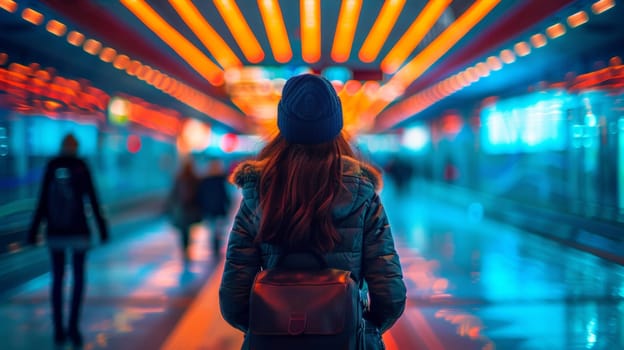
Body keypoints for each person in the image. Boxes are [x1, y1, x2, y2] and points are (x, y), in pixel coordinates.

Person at [219, 74, 406, 349]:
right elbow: (390, 297)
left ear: (284, 126)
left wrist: (276, 328)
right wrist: (355, 326)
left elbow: (233, 300)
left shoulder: (257, 192)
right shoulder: (362, 194)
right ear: (336, 126)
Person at [27, 133, 109, 347]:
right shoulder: (82, 165)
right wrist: (102, 229)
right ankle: (74, 327)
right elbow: (93, 197)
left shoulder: (52, 165)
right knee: (79, 279)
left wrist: (34, 230)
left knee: (57, 280)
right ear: (77, 147)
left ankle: (58, 330)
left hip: (56, 232)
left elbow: (42, 199)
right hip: (79, 232)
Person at [165, 157, 201, 260]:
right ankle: (187, 248)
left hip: (181, 209)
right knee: (188, 230)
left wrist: (170, 207)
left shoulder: (179, 178)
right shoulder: (195, 178)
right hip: (191, 208)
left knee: (183, 230)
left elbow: (173, 193)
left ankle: (185, 249)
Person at [197, 159, 232, 257]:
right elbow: (225, 195)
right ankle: (216, 245)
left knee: (212, 229)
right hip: (219, 208)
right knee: (218, 229)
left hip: (209, 209)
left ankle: (214, 245)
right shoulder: (221, 180)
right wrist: (227, 205)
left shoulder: (205, 180)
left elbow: (201, 195)